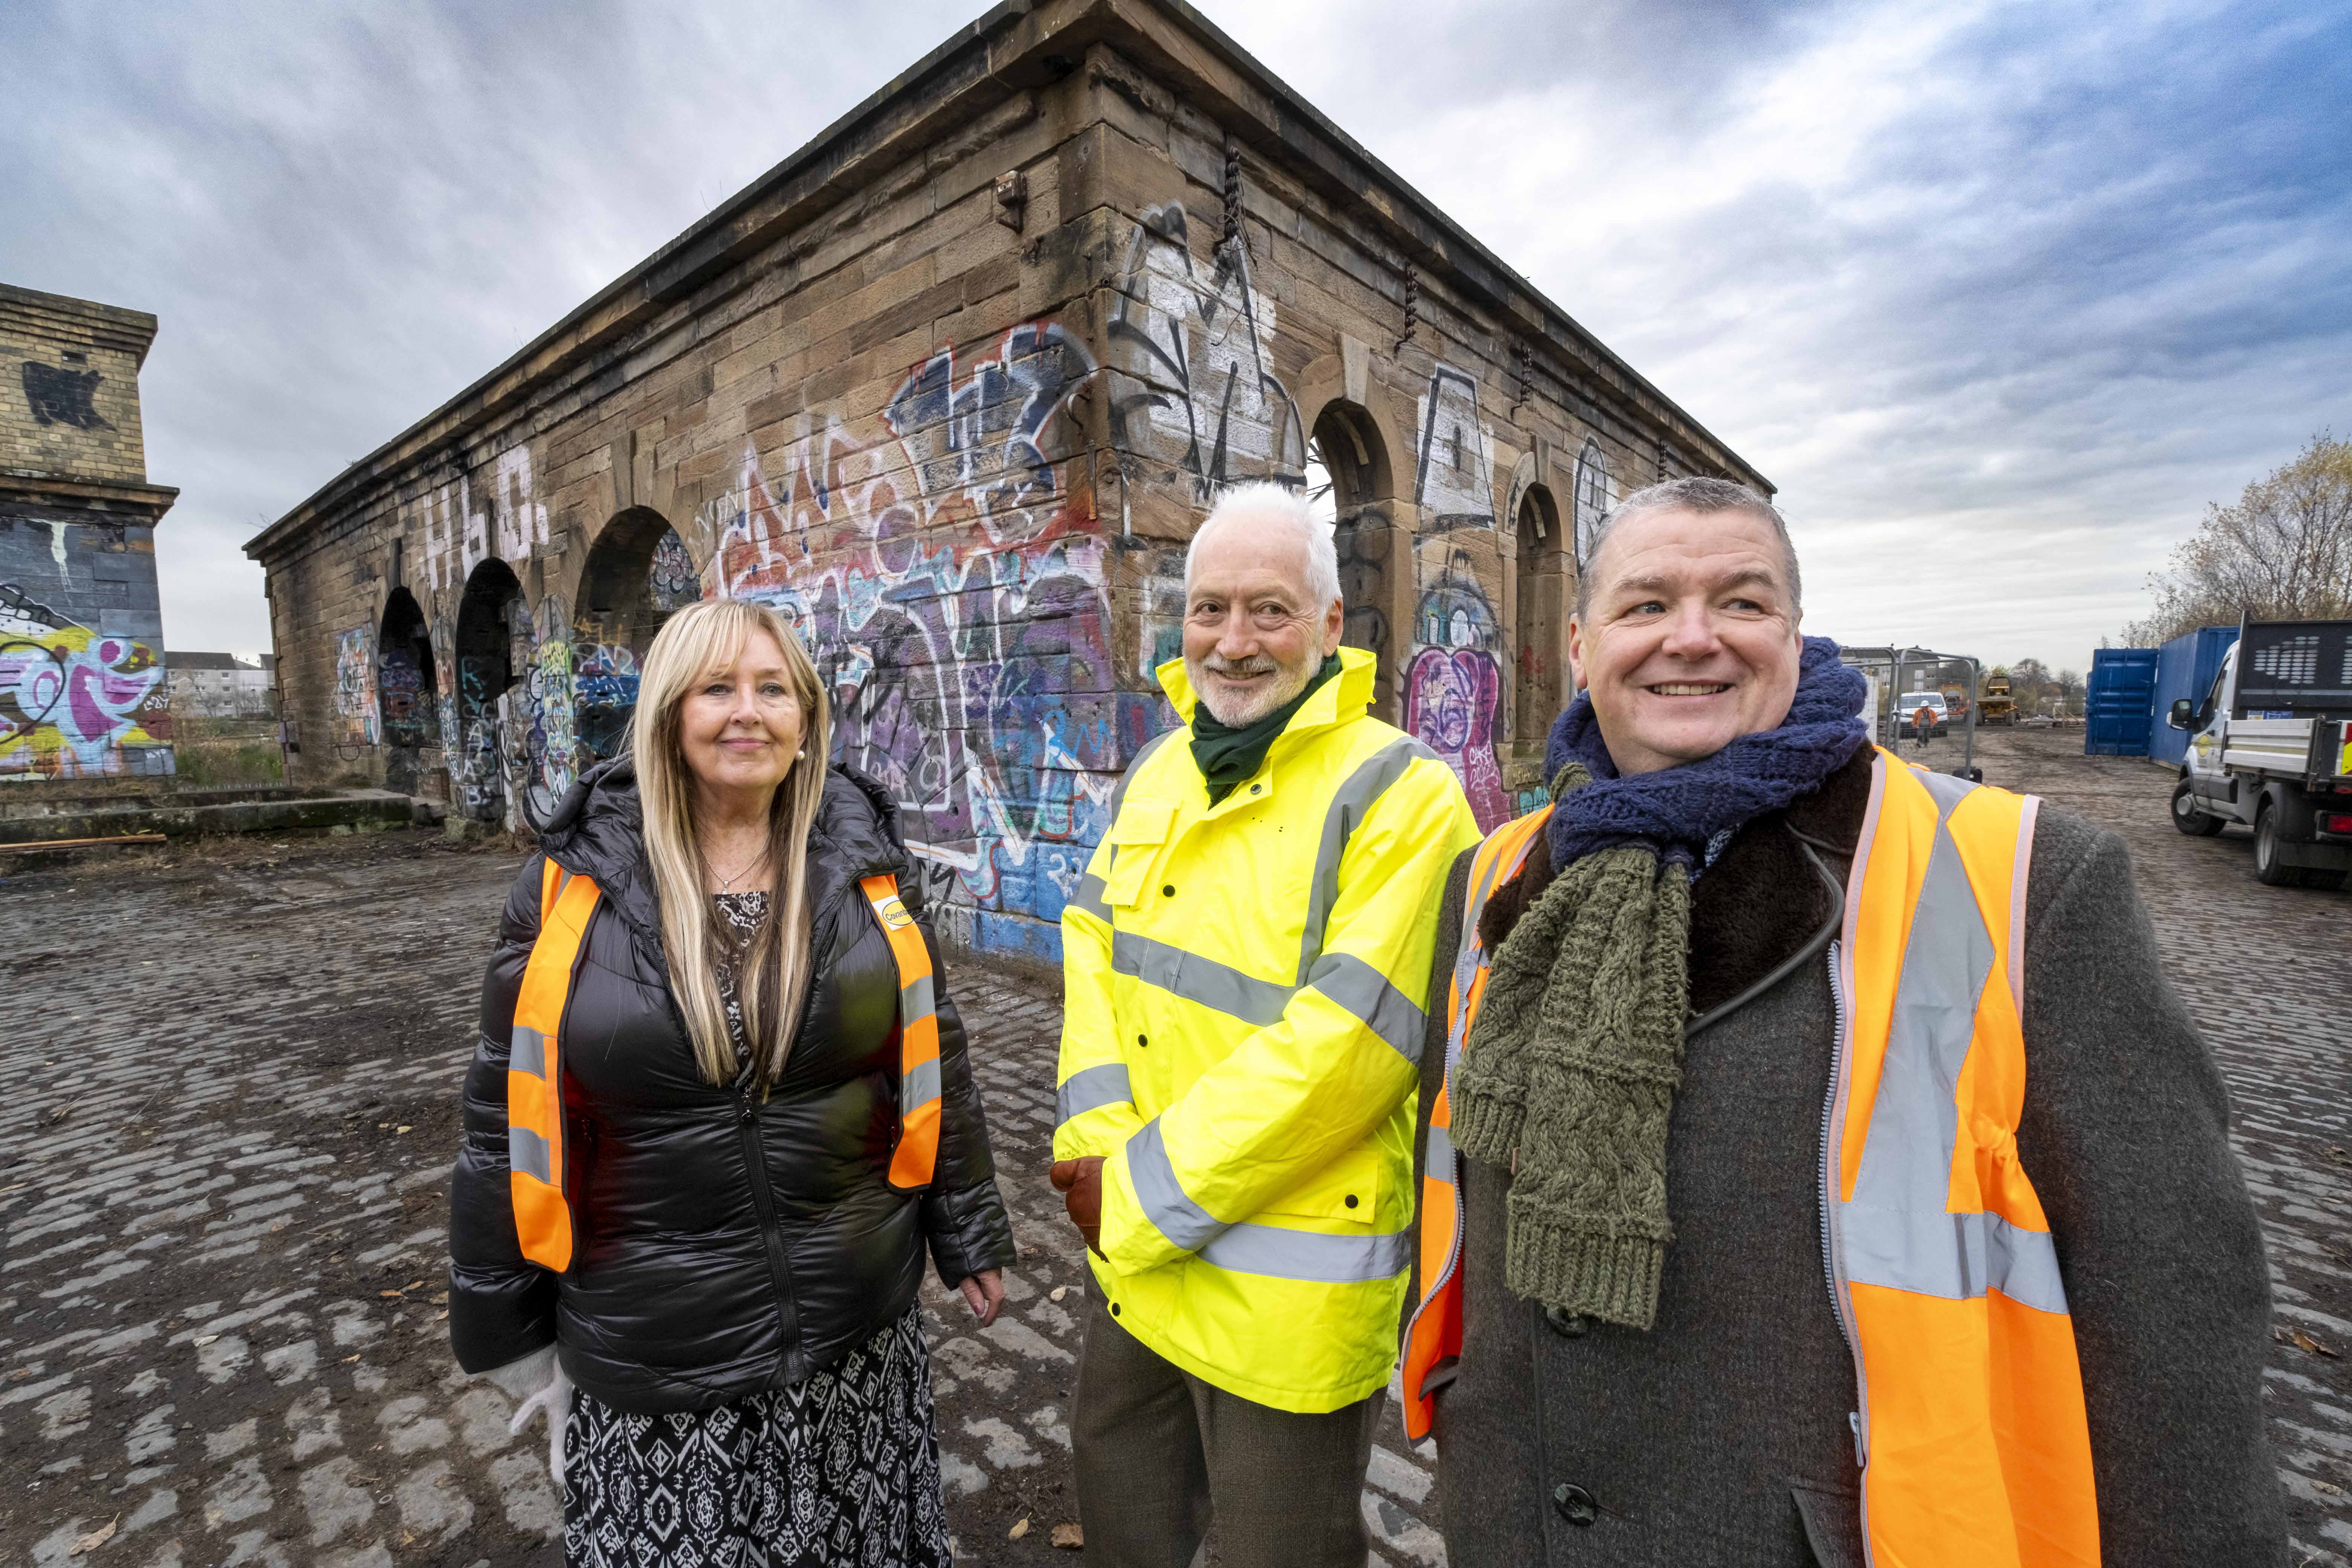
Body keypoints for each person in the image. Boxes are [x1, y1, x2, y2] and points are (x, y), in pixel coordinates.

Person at [1402, 477, 2285, 1566]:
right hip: (1516, 1516)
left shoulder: (2022, 877)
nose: (1693, 639)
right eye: (1646, 606)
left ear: (1793, 634)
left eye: (1741, 601)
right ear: (1581, 647)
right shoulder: (1497, 874)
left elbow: (2173, 1323)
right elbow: (1449, 1183)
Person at [446, 597, 1016, 1567]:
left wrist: (966, 1226)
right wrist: (511, 1337)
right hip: (656, 1365)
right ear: (670, 712)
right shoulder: (570, 884)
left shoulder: (864, 862)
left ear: (806, 719)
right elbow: (508, 1107)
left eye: (772, 689)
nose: (746, 711)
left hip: (854, 1340)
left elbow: (932, 1050)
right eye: (717, 688)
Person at [1050, 482, 1481, 1567]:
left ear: (1332, 626)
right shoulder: (1158, 770)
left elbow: (1348, 1052)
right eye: (1209, 610)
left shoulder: (1404, 794)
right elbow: (1092, 949)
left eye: (1270, 611)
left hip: (1285, 1297)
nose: (1233, 643)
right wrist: (1098, 1149)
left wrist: (1134, 1193)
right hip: (1137, 1262)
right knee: (1127, 1530)